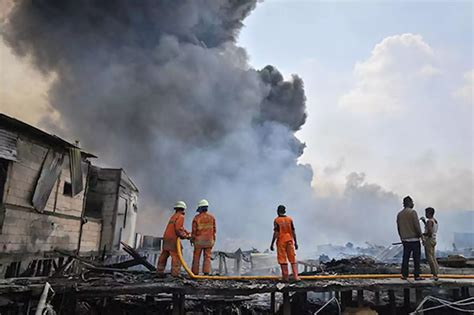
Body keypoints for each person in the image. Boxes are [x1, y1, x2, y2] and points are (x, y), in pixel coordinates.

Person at [156, 201, 191, 277]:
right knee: (177, 255)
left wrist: (187, 232)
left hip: (166, 238)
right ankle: (175, 274)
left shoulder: (174, 216)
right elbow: (178, 229)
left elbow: (179, 228)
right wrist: (185, 236)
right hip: (173, 239)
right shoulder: (181, 217)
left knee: (164, 254)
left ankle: (159, 271)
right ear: (183, 209)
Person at [396, 196, 423, 280]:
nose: (413, 203)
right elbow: (417, 226)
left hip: (405, 240)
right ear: (409, 203)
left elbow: (399, 227)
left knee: (405, 257)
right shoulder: (413, 213)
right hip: (414, 239)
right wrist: (421, 236)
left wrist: (401, 237)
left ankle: (404, 274)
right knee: (416, 258)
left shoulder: (399, 214)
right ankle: (417, 275)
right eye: (412, 202)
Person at [270, 205, 300, 281]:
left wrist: (272, 243)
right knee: (292, 258)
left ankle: (285, 277)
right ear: (285, 211)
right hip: (290, 240)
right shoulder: (290, 219)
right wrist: (296, 242)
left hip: (281, 241)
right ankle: (296, 277)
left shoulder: (277, 220)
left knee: (282, 259)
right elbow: (293, 231)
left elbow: (276, 233)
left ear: (277, 211)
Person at [191, 199, 216, 275]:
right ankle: (206, 273)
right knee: (207, 257)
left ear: (200, 208)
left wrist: (192, 239)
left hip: (199, 241)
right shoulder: (212, 217)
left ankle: (195, 273)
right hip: (209, 241)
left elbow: (194, 231)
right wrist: (213, 239)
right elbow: (214, 230)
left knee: (196, 257)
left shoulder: (196, 218)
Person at [421, 207, 439, 280]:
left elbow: (429, 232)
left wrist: (422, 234)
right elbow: (430, 228)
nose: (425, 214)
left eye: (426, 213)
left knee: (429, 258)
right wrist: (424, 222)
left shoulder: (429, 221)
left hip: (429, 240)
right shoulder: (434, 221)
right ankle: (436, 273)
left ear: (429, 213)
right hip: (433, 240)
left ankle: (434, 274)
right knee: (433, 257)